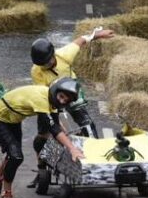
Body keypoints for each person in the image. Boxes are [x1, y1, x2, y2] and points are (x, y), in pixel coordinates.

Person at [27, 29, 114, 187]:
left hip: (71, 92)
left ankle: (94, 160)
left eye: (48, 62)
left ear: (53, 54)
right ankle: (42, 171)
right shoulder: (36, 71)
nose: (46, 65)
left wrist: (98, 35)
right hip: (51, 96)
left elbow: (81, 40)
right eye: (42, 64)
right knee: (44, 135)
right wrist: (56, 123)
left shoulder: (64, 55)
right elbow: (42, 94)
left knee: (86, 123)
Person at [0, 79, 86, 198]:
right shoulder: (41, 99)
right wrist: (72, 148)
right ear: (55, 91)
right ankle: (7, 193)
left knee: (13, 154)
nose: (62, 101)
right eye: (61, 97)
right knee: (16, 156)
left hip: (13, 119)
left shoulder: (52, 101)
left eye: (66, 100)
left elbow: (56, 124)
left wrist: (69, 139)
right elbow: (53, 128)